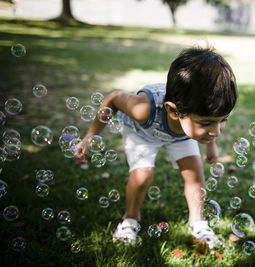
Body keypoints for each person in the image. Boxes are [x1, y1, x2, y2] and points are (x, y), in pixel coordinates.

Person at [74, 46, 238, 249]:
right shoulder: (143, 108)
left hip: (180, 135)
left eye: (223, 120)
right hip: (142, 131)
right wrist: (90, 137)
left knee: (195, 175)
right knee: (142, 176)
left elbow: (210, 129)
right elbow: (114, 98)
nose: (217, 131)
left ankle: (198, 223)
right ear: (173, 110)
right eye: (206, 123)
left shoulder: (198, 120)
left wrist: (210, 146)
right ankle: (130, 220)